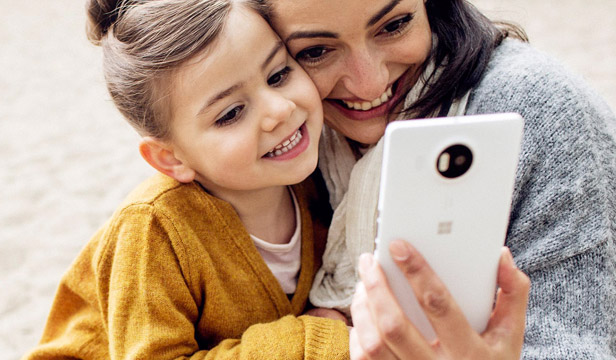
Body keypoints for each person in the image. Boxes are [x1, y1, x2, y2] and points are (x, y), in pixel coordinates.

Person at [256, 0, 616, 358]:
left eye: (394, 25)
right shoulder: (278, 136)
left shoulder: (538, 108)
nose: (369, 83)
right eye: (316, 51)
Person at [22, 0, 351, 358]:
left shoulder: (321, 177)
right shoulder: (153, 229)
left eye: (278, 75)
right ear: (171, 158)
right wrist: (311, 340)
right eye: (231, 113)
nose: (279, 109)